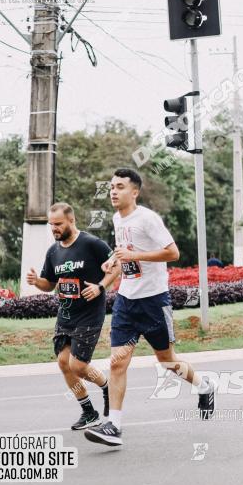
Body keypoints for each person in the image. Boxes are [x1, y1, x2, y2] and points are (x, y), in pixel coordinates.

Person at [84, 167, 215, 448]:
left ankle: (204, 386)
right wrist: (115, 263)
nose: (113, 191)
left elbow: (173, 252)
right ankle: (114, 426)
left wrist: (135, 255)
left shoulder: (148, 219)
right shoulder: (117, 219)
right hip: (126, 301)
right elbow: (124, 255)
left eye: (119, 187)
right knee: (118, 361)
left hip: (154, 301)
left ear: (135, 191)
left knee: (167, 362)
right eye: (111, 187)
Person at [26, 203, 119, 429]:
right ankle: (88, 412)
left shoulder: (91, 244)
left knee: (78, 365)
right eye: (51, 225)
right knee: (63, 363)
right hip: (66, 315)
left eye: (58, 224)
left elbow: (116, 267)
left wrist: (100, 286)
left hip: (90, 314)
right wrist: (37, 282)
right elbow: (50, 284)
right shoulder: (53, 252)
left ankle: (107, 386)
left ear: (71, 221)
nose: (54, 229)